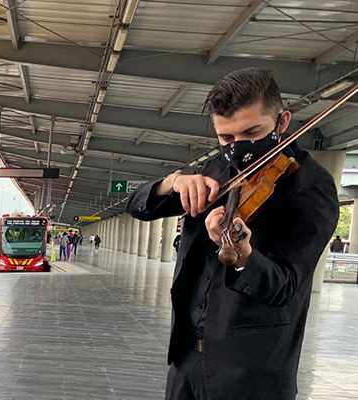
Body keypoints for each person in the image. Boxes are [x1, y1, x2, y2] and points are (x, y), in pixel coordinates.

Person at [127, 68, 337, 400]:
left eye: (252, 132)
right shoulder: (218, 168)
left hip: (250, 376)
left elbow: (285, 285)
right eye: (226, 138)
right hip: (186, 363)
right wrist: (174, 182)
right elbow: (138, 206)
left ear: (282, 122)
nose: (238, 149)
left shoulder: (310, 186)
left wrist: (245, 259)